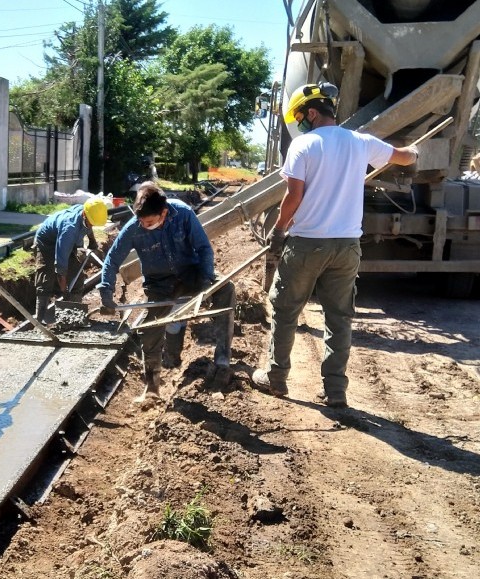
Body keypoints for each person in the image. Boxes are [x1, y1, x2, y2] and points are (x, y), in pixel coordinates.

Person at [251, 82, 418, 408]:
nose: (300, 122)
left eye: (301, 116)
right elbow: (403, 157)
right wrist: (416, 153)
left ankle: (276, 379)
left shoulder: (303, 145)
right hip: (346, 247)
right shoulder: (361, 142)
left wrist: (279, 229)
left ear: (312, 113)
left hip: (306, 244)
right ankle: (335, 391)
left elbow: (293, 196)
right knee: (338, 318)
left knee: (286, 312)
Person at [98, 182, 235, 403]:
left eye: (149, 222)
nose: (144, 225)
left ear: (163, 213)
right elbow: (112, 260)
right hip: (159, 284)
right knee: (150, 330)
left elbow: (203, 248)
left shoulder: (182, 213)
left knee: (226, 289)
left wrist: (205, 279)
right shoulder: (134, 226)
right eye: (141, 221)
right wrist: (106, 289)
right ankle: (152, 387)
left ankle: (222, 361)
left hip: (191, 273)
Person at [33, 198, 108, 323]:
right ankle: (39, 321)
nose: (91, 226)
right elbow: (61, 261)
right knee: (45, 279)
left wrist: (93, 242)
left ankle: (75, 319)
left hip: (65, 240)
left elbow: (89, 227)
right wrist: (64, 288)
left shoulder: (87, 213)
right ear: (84, 214)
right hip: (46, 243)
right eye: (90, 223)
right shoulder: (69, 229)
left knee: (77, 280)